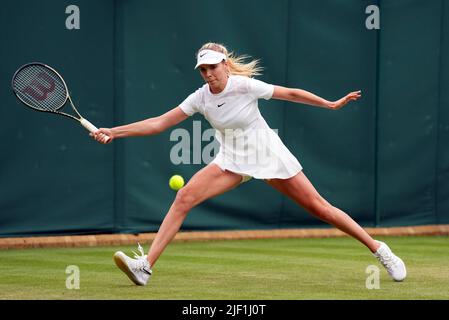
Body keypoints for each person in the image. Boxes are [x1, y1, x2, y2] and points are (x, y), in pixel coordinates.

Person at [92, 42, 406, 286]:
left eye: (213, 67)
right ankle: (145, 267)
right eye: (203, 69)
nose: (208, 74)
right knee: (184, 197)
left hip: (267, 154)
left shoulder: (245, 86)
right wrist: (114, 132)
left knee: (320, 207)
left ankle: (379, 249)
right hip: (232, 161)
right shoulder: (200, 97)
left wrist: (330, 104)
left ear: (225, 65)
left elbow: (292, 93)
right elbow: (160, 123)